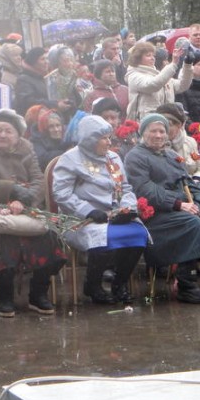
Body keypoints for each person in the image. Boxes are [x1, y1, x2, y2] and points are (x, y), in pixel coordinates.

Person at [125, 113, 200, 303]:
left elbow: (187, 182)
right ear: (143, 133)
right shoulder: (135, 157)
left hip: (182, 206)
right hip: (157, 214)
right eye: (153, 131)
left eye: (162, 131)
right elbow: (145, 190)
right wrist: (178, 204)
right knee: (194, 224)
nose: (158, 135)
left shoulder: (171, 155)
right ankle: (186, 284)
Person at [0, 109, 66, 317]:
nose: (2, 135)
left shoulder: (27, 154)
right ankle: (5, 296)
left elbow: (39, 182)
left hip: (25, 211)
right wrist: (11, 189)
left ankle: (38, 294)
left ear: (18, 136)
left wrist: (24, 198)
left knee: (50, 236)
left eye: (7, 131)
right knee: (5, 240)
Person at [53, 116, 148, 304]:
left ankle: (119, 284)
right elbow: (61, 193)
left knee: (138, 234)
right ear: (90, 139)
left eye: (109, 137)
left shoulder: (113, 157)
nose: (109, 142)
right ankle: (92, 285)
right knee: (104, 237)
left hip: (114, 214)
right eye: (104, 138)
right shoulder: (70, 159)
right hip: (81, 218)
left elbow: (125, 188)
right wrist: (87, 210)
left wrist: (127, 208)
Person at [125, 41, 192, 121]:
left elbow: (182, 86)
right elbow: (152, 85)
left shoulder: (159, 74)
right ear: (138, 58)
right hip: (145, 124)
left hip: (167, 121)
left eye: (153, 55)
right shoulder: (134, 76)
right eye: (148, 55)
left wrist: (187, 66)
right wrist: (173, 64)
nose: (152, 58)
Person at [155, 103, 200, 184]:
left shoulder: (190, 143)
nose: (163, 129)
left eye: (168, 124)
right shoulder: (153, 145)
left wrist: (195, 182)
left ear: (180, 125)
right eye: (160, 124)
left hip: (193, 187)